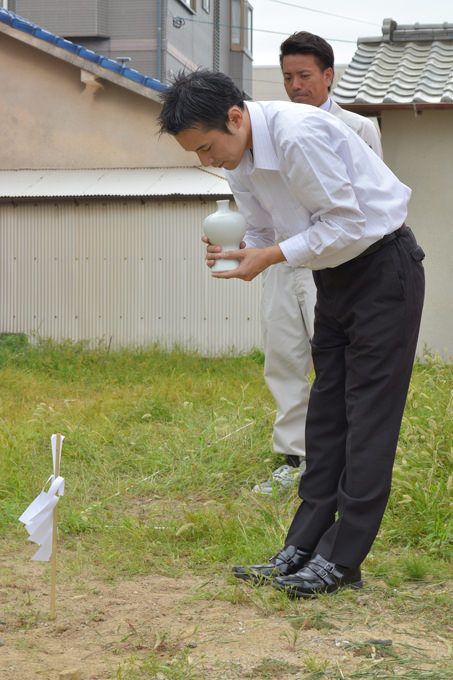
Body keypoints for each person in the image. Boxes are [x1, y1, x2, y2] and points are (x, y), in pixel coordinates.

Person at [158, 70, 424, 597]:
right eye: (197, 154)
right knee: (326, 417)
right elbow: (262, 230)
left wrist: (272, 256)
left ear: (236, 116)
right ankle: (303, 546)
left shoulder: (297, 134)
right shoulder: (239, 158)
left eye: (208, 147)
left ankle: (343, 561)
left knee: (366, 418)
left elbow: (347, 224)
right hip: (333, 276)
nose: (207, 160)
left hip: (383, 270)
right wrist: (240, 250)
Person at [253, 31, 383, 495]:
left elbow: (367, 206)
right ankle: (293, 458)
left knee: (334, 363)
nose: (295, 85)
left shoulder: (358, 126)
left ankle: (339, 459)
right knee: (283, 358)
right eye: (287, 77)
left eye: (305, 75)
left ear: (329, 76)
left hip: (334, 263)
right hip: (282, 260)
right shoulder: (267, 132)